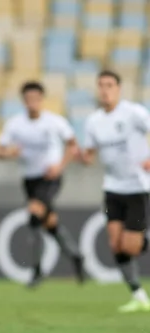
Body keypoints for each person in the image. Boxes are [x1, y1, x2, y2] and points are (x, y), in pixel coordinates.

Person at [0, 81, 84, 287]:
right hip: (30, 179)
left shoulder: (54, 122)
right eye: (28, 99)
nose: (32, 103)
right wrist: (10, 152)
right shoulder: (15, 124)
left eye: (35, 99)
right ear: (23, 101)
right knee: (49, 223)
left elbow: (73, 145)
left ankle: (36, 270)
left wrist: (60, 166)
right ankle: (76, 255)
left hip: (50, 177)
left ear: (42, 100)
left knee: (34, 216)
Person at [80, 70, 150, 313]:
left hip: (137, 186)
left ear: (119, 89)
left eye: (109, 85)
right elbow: (89, 152)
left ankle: (143, 239)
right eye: (101, 85)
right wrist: (85, 157)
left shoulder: (134, 113)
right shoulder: (94, 121)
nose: (105, 89)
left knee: (130, 247)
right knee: (115, 245)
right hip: (112, 188)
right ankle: (138, 295)